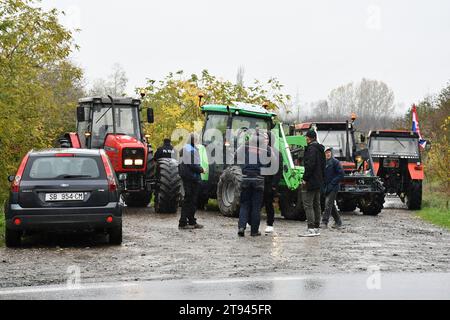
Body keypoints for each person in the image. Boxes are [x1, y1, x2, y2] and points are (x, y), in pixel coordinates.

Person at [236, 134, 267, 237]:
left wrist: (242, 166)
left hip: (245, 178)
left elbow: (236, 156)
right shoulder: (265, 150)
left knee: (244, 204)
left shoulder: (245, 147)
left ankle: (241, 227)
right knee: (256, 207)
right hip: (258, 180)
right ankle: (254, 231)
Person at [299, 130, 326, 237]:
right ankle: (316, 228)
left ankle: (310, 228)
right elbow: (323, 166)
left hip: (310, 181)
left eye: (306, 137)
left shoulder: (311, 149)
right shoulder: (321, 150)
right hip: (319, 181)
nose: (305, 139)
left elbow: (310, 165)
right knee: (316, 204)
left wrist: (305, 178)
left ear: (309, 138)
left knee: (308, 205)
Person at [178, 133, 204, 230]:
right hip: (192, 177)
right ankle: (183, 222)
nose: (198, 141)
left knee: (191, 200)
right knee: (190, 200)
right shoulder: (191, 149)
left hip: (187, 176)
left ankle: (191, 221)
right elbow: (193, 164)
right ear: (194, 140)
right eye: (197, 139)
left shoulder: (184, 148)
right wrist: (201, 169)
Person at [261, 132, 281, 234]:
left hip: (269, 183)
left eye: (266, 138)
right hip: (260, 181)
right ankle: (250, 221)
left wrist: (274, 185)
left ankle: (270, 224)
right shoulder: (259, 152)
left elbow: (278, 171)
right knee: (257, 202)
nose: (264, 140)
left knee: (269, 204)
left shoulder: (277, 153)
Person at [321, 147, 344, 229]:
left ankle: (324, 222)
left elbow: (341, 174)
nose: (327, 154)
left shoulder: (335, 162)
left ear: (331, 153)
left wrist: (332, 183)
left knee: (328, 204)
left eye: (328, 152)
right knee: (330, 205)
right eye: (326, 153)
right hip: (326, 187)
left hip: (333, 187)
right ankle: (338, 221)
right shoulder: (323, 163)